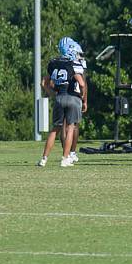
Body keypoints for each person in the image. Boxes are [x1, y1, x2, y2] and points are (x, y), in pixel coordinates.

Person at [40, 36, 88, 168]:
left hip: (59, 97)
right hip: (73, 97)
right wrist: (83, 98)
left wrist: (52, 93)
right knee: (71, 127)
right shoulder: (73, 63)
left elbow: (44, 82)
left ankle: (44, 159)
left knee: (55, 130)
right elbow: (82, 83)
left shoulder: (54, 62)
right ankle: (66, 157)